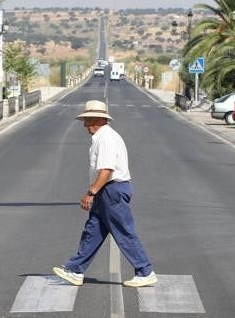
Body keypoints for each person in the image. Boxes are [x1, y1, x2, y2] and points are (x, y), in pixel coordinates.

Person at [53, 100, 157, 288]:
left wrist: (90, 193)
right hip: (107, 191)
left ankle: (145, 271)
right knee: (93, 231)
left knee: (124, 231)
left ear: (98, 120)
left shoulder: (105, 138)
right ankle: (76, 270)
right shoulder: (103, 137)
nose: (85, 125)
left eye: (87, 120)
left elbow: (106, 170)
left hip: (112, 190)